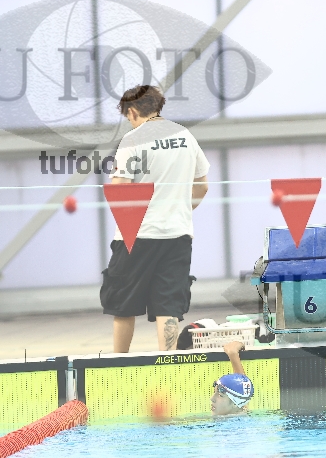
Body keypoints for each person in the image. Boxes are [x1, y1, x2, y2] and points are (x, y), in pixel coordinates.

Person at [101, 85, 210, 353]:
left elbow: (119, 190)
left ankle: (117, 365)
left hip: (137, 234)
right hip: (177, 234)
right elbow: (202, 186)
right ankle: (168, 364)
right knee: (168, 304)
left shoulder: (133, 140)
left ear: (133, 111)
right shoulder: (185, 136)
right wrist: (179, 209)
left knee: (123, 304)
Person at [211, 341, 255, 416]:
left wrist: (233, 355)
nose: (212, 399)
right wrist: (233, 355)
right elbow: (241, 396)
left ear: (235, 403)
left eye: (220, 395)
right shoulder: (241, 412)